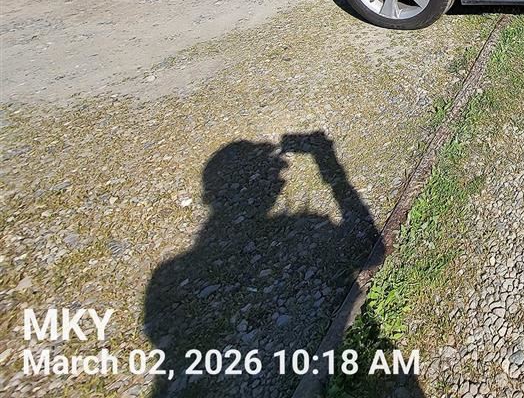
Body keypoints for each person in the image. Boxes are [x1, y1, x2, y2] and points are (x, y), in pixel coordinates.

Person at [142, 132, 408, 396]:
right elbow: (374, 253)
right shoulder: (308, 225)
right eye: (276, 170)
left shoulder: (165, 279)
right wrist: (326, 159)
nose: (281, 177)